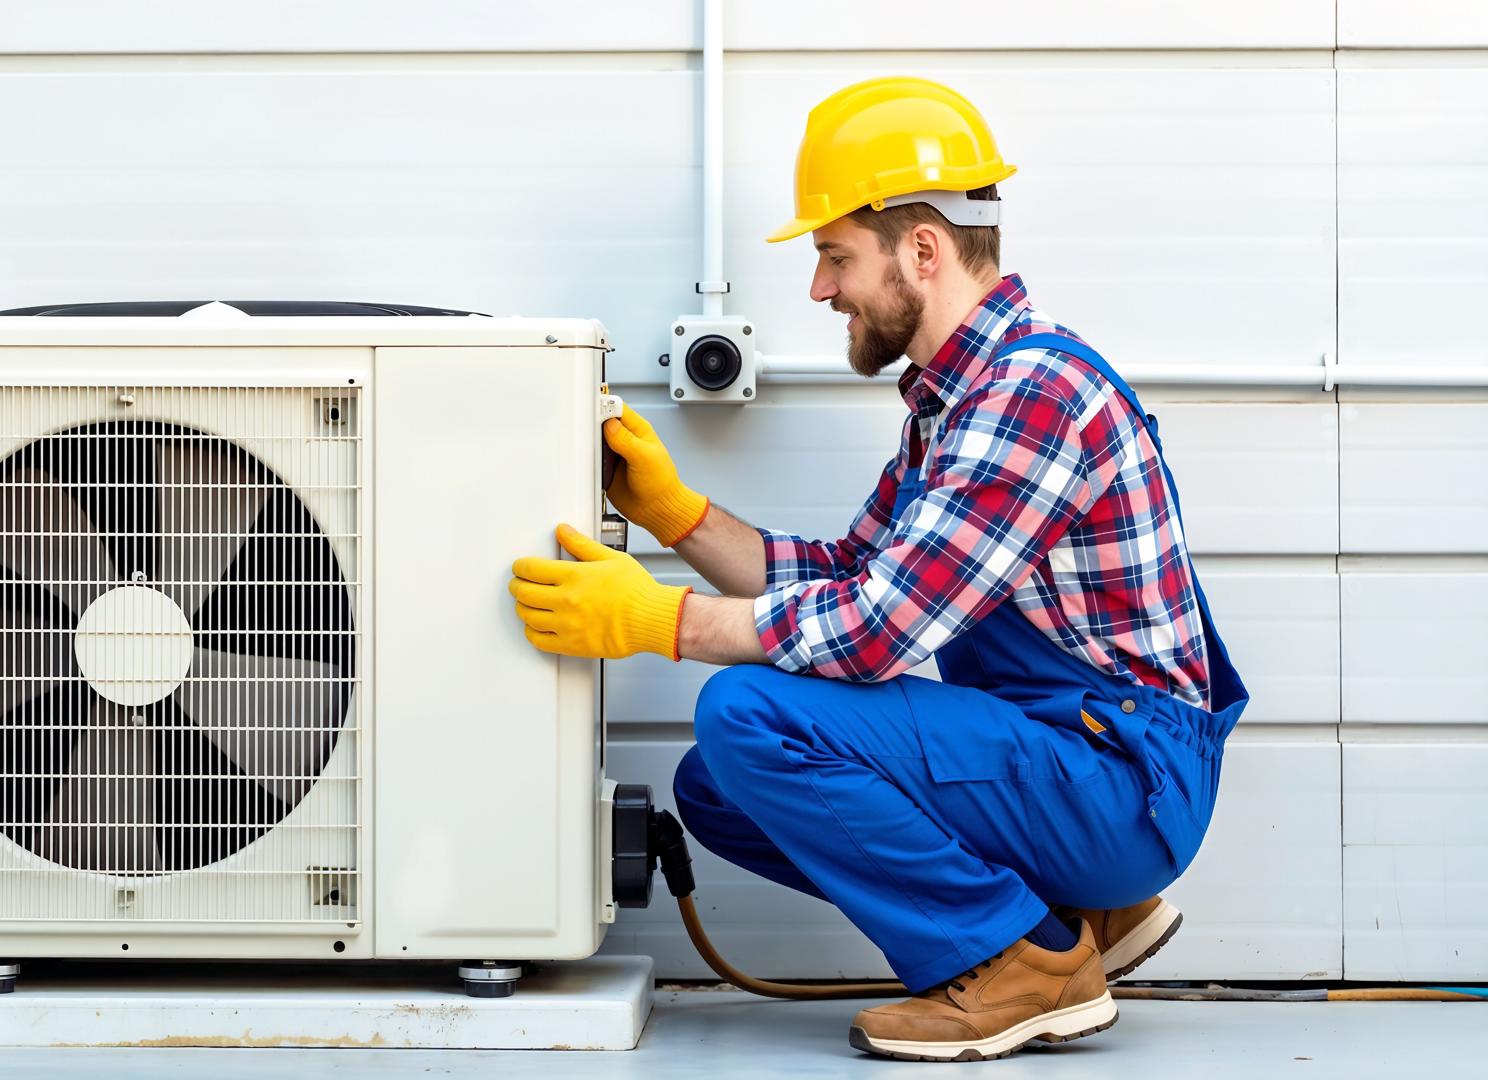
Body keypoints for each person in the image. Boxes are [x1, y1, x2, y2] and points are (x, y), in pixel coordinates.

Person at [507, 76, 1248, 1062]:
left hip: (1119, 781)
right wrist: (677, 516)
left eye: (833, 255)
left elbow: (876, 631)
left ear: (923, 250)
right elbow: (853, 570)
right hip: (1070, 755)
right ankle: (1073, 918)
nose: (821, 289)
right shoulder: (958, 401)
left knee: (747, 715)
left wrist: (659, 621)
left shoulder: (1031, 391)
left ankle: (1023, 958)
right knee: (720, 787)